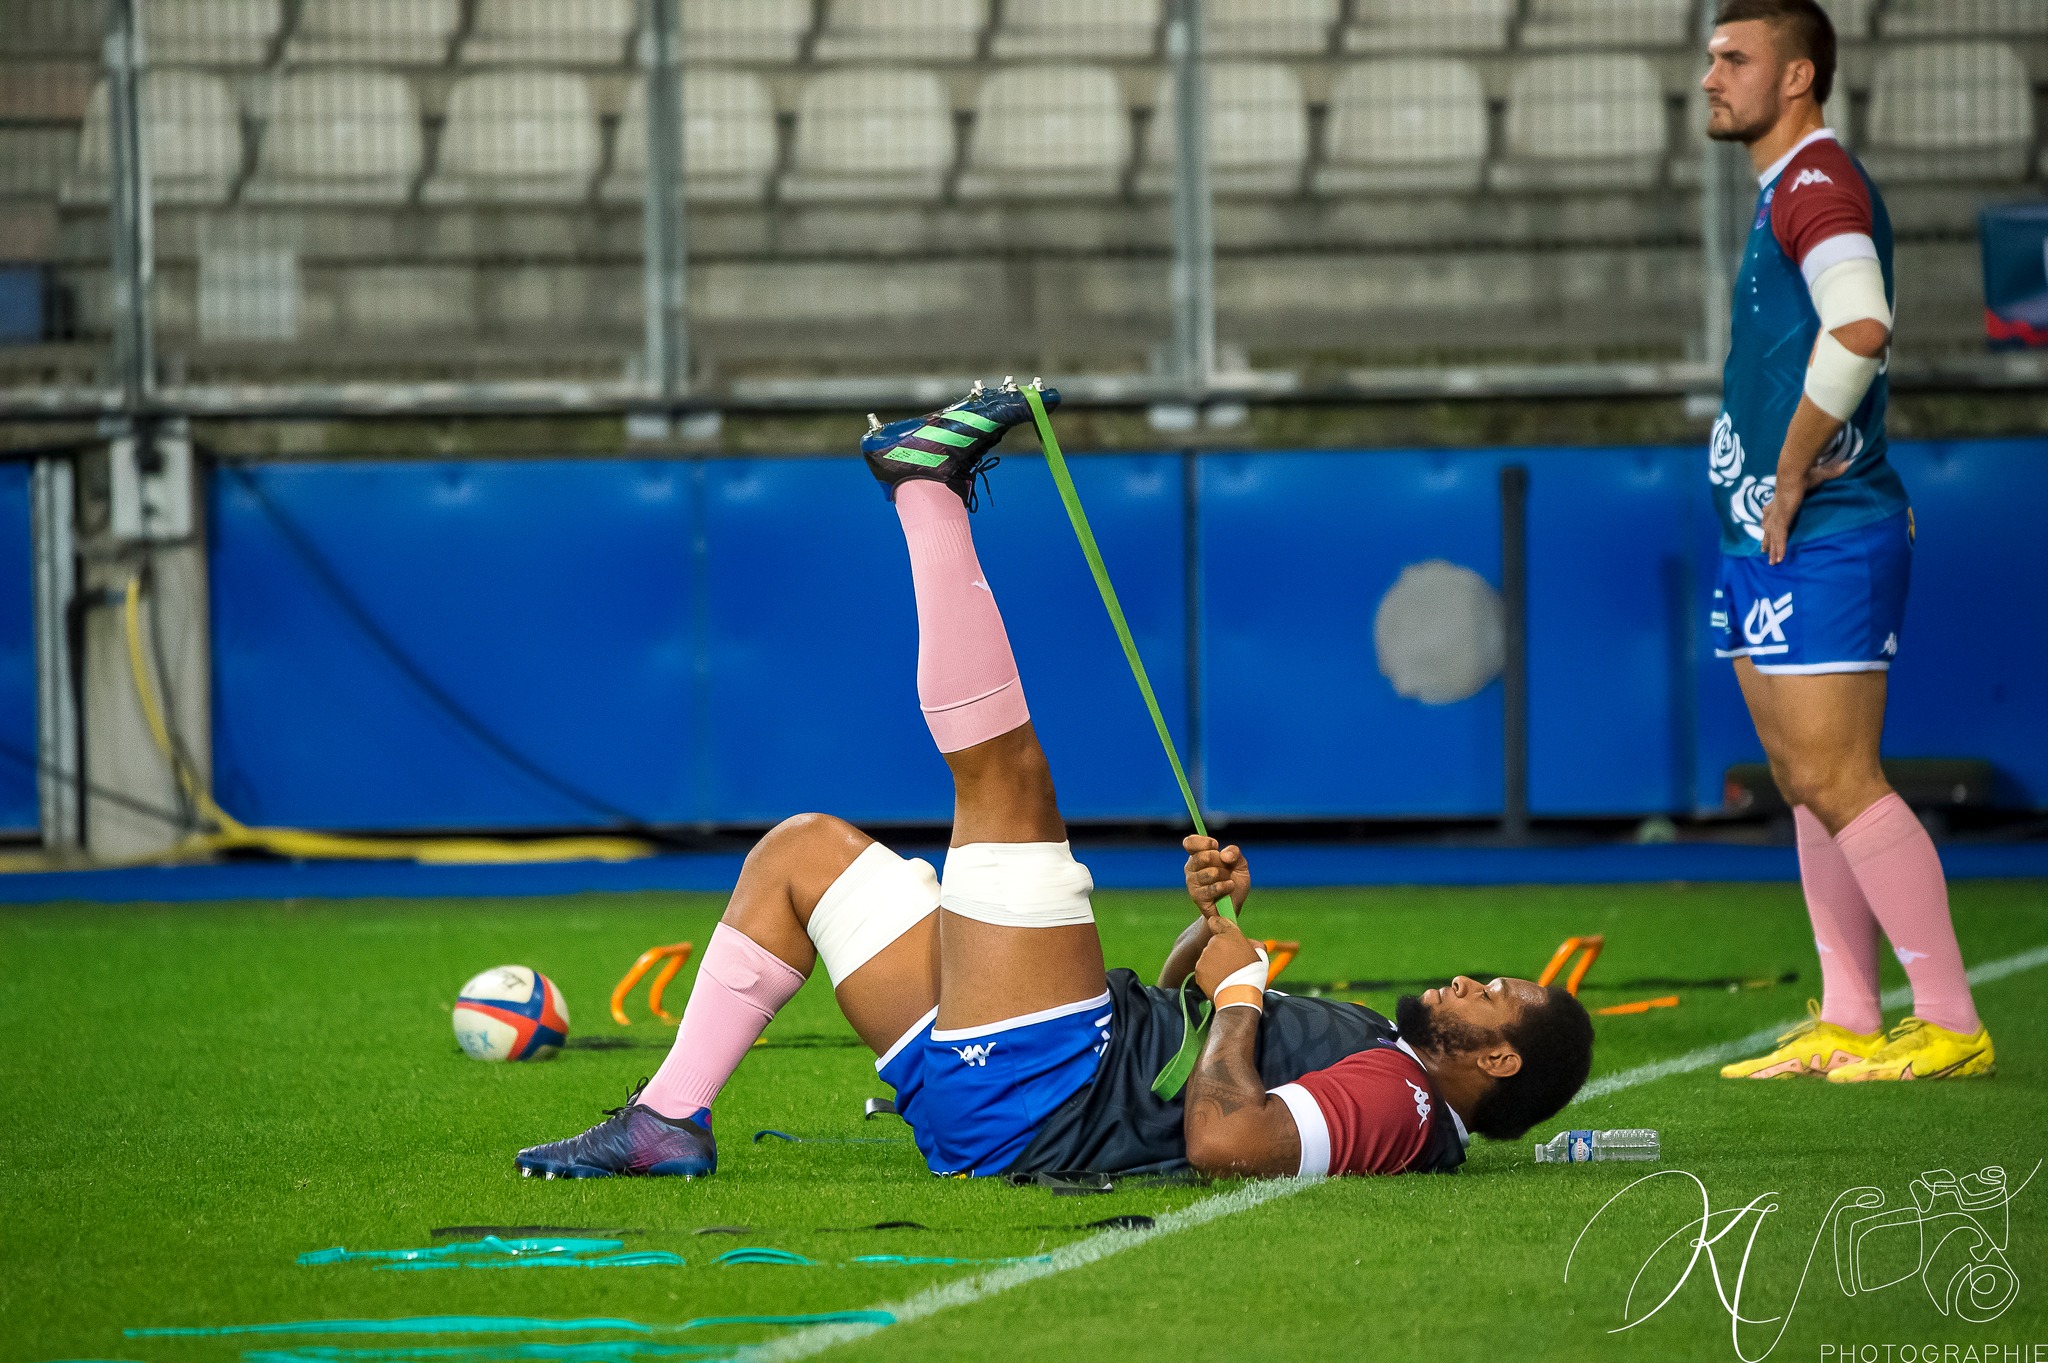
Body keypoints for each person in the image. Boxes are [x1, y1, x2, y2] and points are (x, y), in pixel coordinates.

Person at [513, 382, 1593, 1181]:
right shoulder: (1390, 1056)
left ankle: (925, 488)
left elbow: (1225, 1140)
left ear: (1497, 1059)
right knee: (801, 855)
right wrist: (1210, 933)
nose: (1468, 980)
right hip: (1044, 1072)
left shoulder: (1405, 1104)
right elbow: (1188, 1042)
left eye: (1493, 994)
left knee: (1006, 779)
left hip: (1048, 1092)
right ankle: (665, 1120)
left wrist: (1240, 995)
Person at [1700, 0, 1993, 1082]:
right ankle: (1851, 1015)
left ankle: (1952, 1022)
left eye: (1735, 58)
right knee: (1802, 776)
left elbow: (1859, 324)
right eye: (1710, 58)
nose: (1710, 77)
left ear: (1797, 76)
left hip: (1824, 525)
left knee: (1837, 773)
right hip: (1764, 534)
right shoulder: (1784, 187)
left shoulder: (1816, 181)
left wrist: (1786, 472)